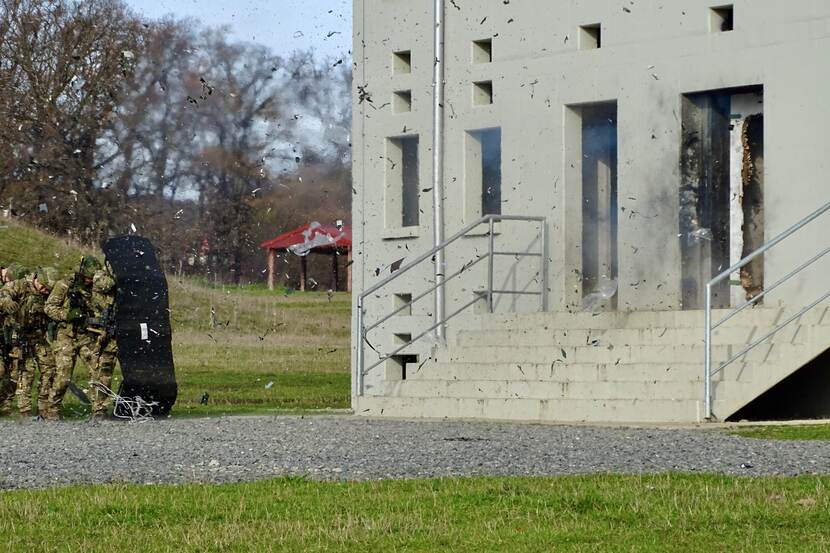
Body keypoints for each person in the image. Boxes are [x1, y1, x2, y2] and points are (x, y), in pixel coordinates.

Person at [44, 256, 101, 420]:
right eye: (88, 277)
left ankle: (99, 411)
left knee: (97, 370)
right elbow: (49, 307)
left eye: (93, 278)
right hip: (65, 336)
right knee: (63, 377)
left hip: (85, 336)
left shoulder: (95, 288)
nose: (90, 281)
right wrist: (66, 315)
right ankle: (52, 411)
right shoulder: (64, 285)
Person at [0, 267, 58, 418]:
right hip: (19, 338)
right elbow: (4, 293)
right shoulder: (20, 285)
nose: (46, 291)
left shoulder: (48, 293)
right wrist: (7, 302)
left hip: (38, 337)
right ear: (37, 280)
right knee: (26, 372)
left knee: (50, 367)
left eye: (48, 289)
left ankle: (44, 407)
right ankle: (24, 411)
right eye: (44, 288)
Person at [85, 265, 118, 418]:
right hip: (100, 335)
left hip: (116, 332)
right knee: (100, 370)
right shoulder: (100, 276)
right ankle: (98, 409)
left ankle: (107, 409)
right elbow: (106, 284)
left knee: (109, 371)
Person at [0, 263, 30, 416]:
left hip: (11, 336)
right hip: (5, 335)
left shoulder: (17, 286)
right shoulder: (7, 289)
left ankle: (5, 405)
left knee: (13, 372)